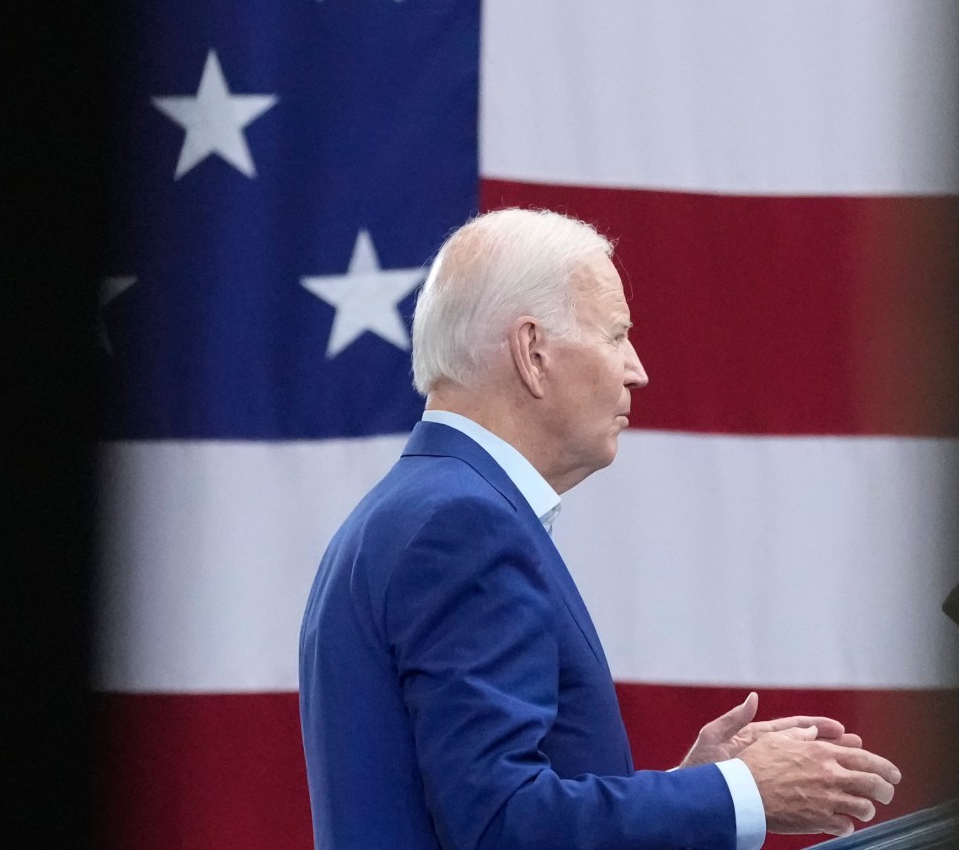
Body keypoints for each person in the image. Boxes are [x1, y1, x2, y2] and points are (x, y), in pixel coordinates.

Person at [299, 207, 903, 849]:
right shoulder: (463, 524)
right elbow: (502, 827)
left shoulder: (409, 512)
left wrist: (687, 785)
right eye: (616, 335)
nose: (636, 369)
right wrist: (739, 792)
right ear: (532, 353)